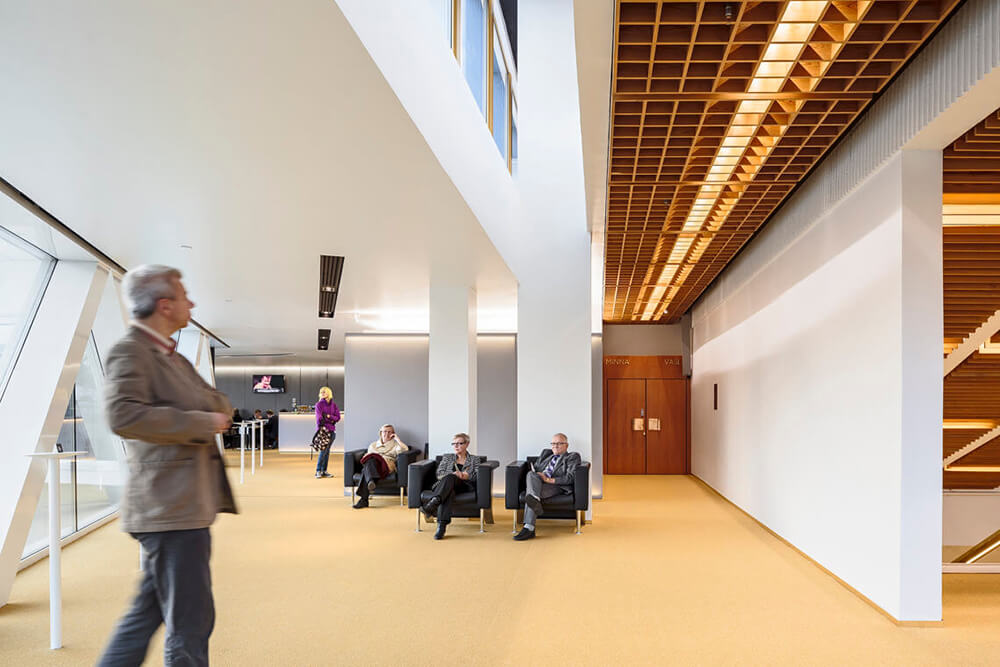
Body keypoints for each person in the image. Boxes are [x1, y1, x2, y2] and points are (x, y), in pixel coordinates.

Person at [97, 265, 235, 666]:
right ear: (164, 304)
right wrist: (201, 421)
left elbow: (221, 402)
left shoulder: (173, 358)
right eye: (185, 295)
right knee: (190, 621)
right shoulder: (131, 351)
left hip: (183, 504)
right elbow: (123, 415)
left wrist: (209, 412)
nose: (192, 303)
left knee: (150, 612)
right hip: (169, 506)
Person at [514, 433, 581, 541]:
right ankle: (535, 499)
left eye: (559, 443)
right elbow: (535, 471)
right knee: (531, 475)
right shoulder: (546, 454)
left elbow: (570, 477)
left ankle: (529, 528)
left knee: (530, 495)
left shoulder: (572, 457)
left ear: (566, 445)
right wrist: (538, 475)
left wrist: (548, 480)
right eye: (553, 443)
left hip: (556, 486)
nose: (555, 446)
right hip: (539, 484)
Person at [420, 433, 478, 540]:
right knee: (449, 489)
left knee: (450, 483)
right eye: (454, 444)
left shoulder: (474, 459)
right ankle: (441, 527)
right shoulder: (447, 457)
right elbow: (439, 474)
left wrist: (465, 476)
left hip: (463, 486)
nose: (456, 446)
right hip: (444, 486)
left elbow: (476, 476)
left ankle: (432, 504)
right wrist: (453, 474)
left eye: (459, 443)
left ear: (467, 444)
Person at [354, 424, 408, 509]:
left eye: (389, 432)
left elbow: (405, 450)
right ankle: (370, 482)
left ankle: (364, 499)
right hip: (373, 466)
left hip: (387, 464)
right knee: (370, 460)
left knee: (366, 469)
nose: (387, 434)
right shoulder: (373, 445)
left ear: (393, 434)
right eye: (384, 431)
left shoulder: (396, 445)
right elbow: (366, 457)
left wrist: (398, 439)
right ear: (380, 433)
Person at [313, 386, 340, 478]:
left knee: (327, 451)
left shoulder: (334, 405)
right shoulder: (319, 405)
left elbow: (338, 417)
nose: (322, 393)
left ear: (329, 393)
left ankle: (324, 470)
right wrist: (331, 420)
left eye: (324, 391)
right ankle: (318, 470)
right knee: (323, 450)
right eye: (321, 392)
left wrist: (328, 416)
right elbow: (319, 419)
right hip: (323, 431)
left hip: (332, 431)